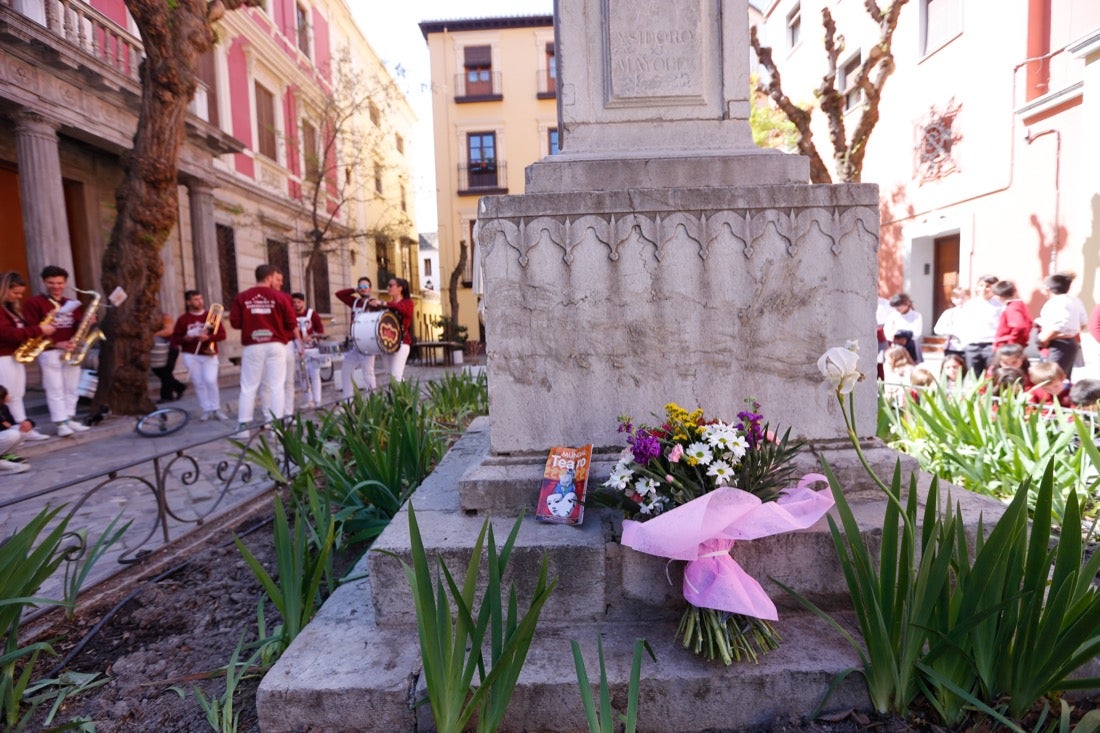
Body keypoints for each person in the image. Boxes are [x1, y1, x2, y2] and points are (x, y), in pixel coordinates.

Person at [22, 265, 91, 437]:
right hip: (49, 351)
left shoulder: (70, 303)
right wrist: (57, 343)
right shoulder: (34, 303)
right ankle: (61, 423)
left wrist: (87, 323)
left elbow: (76, 326)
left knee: (72, 387)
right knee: (55, 388)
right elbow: (32, 329)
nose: (56, 286)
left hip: (71, 349)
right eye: (51, 283)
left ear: (65, 282)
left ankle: (69, 417)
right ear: (44, 282)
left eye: (60, 283)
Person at [229, 264, 298, 434]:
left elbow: (235, 323)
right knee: (277, 386)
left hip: (253, 345)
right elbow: (291, 323)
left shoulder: (242, 297)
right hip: (276, 344)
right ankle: (276, 427)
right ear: (269, 277)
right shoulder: (280, 297)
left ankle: (243, 428)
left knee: (248, 387)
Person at [0, 271, 53, 442]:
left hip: (14, 356)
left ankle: (23, 428)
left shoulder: (9, 309)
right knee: (6, 396)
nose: (19, 297)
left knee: (17, 394)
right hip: (3, 357)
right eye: (15, 293)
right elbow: (7, 333)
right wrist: (38, 330)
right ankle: (9, 430)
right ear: (3, 289)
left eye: (21, 293)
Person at [172, 290, 228, 422]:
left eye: (200, 298)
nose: (199, 301)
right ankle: (207, 409)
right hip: (191, 354)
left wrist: (208, 337)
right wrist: (186, 338)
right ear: (188, 302)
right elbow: (176, 338)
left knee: (210, 380)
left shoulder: (211, 316)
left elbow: (222, 335)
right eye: (196, 299)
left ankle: (216, 408)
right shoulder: (183, 319)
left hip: (209, 353)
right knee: (198, 382)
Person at [1036, 272, 1088, 379]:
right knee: (1063, 377)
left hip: (1057, 344)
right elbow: (1083, 323)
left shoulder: (1056, 302)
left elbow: (1060, 324)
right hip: (1070, 341)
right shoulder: (1075, 300)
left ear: (1047, 288)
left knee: (1051, 377)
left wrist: (1045, 339)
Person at [334, 277, 377, 397]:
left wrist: (376, 305)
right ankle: (348, 400)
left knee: (368, 373)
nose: (363, 289)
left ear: (370, 289)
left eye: (365, 287)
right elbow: (339, 294)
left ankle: (372, 402)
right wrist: (354, 289)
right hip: (355, 344)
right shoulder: (354, 301)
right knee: (346, 371)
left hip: (366, 343)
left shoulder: (373, 302)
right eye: (361, 287)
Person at [956, 274, 1003, 377]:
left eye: (988, 286)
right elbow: (962, 325)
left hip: (991, 345)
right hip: (972, 345)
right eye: (981, 285)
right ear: (977, 287)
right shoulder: (970, 305)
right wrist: (965, 342)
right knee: (974, 376)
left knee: (993, 375)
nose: (984, 289)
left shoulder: (1000, 306)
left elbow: (1002, 326)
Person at [373, 277, 415, 383]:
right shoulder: (388, 304)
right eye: (388, 285)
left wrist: (383, 303)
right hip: (388, 342)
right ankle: (399, 397)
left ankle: (401, 398)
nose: (388, 288)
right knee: (389, 376)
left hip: (402, 343)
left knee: (396, 376)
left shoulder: (408, 303)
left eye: (391, 285)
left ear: (400, 288)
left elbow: (401, 309)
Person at [288, 292, 325, 410]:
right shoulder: (290, 315)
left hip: (313, 348)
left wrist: (312, 336)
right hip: (298, 349)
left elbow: (320, 330)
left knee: (314, 374)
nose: (296, 304)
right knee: (302, 376)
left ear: (303, 302)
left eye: (298, 302)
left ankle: (318, 400)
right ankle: (308, 400)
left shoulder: (312, 314)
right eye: (294, 302)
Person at [151, 312, 187, 403]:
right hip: (158, 350)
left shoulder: (165, 317)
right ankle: (179, 387)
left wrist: (152, 335)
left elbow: (169, 331)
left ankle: (167, 396)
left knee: (166, 371)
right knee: (160, 371)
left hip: (170, 348)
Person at [992, 280, 1033, 350]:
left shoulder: (1012, 308)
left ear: (999, 296)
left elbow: (1019, 326)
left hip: (1007, 347)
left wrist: (1011, 343)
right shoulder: (1020, 305)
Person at [883, 293, 924, 362]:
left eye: (899, 306)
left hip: (911, 344)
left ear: (906, 304)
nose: (897, 308)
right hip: (896, 344)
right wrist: (893, 337)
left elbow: (917, 332)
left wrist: (905, 337)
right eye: (895, 306)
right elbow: (887, 330)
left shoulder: (916, 315)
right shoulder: (892, 316)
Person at [0, 385, 31, 474]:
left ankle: (5, 456)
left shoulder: (4, 408)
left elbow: (11, 423)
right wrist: (3, 425)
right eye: (7, 395)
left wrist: (26, 423)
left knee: (21, 430)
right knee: (12, 434)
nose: (9, 396)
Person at [933, 287, 969, 365]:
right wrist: (953, 331)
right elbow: (937, 329)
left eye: (963, 297)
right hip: (953, 347)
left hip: (968, 348)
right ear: (953, 299)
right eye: (957, 298)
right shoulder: (949, 313)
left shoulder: (972, 312)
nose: (960, 300)